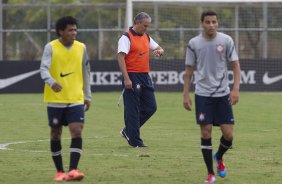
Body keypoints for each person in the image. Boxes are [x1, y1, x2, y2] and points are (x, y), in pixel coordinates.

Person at [182, 11, 241, 184]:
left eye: (214, 22)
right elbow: (189, 71)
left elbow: (236, 66)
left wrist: (235, 89)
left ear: (217, 23)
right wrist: (185, 94)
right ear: (202, 23)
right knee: (206, 131)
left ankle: (219, 157)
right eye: (208, 22)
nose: (211, 25)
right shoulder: (194, 43)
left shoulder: (226, 41)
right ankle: (210, 174)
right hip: (202, 94)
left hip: (223, 94)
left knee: (228, 135)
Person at [40, 16, 92, 182]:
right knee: (56, 134)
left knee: (77, 130)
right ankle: (60, 172)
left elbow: (86, 72)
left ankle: (73, 171)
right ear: (61, 31)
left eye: (75, 29)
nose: (74, 33)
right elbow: (43, 69)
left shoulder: (81, 47)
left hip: (75, 98)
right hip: (55, 100)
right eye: (70, 30)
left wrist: (87, 95)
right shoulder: (51, 47)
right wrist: (51, 82)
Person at [117, 12, 164, 148]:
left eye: (148, 26)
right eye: (145, 25)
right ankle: (135, 141)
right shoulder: (126, 38)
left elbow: (159, 48)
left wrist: (159, 51)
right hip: (132, 76)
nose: (146, 28)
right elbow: (120, 58)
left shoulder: (146, 37)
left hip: (145, 76)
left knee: (151, 107)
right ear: (137, 23)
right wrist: (126, 79)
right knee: (132, 109)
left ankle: (128, 131)